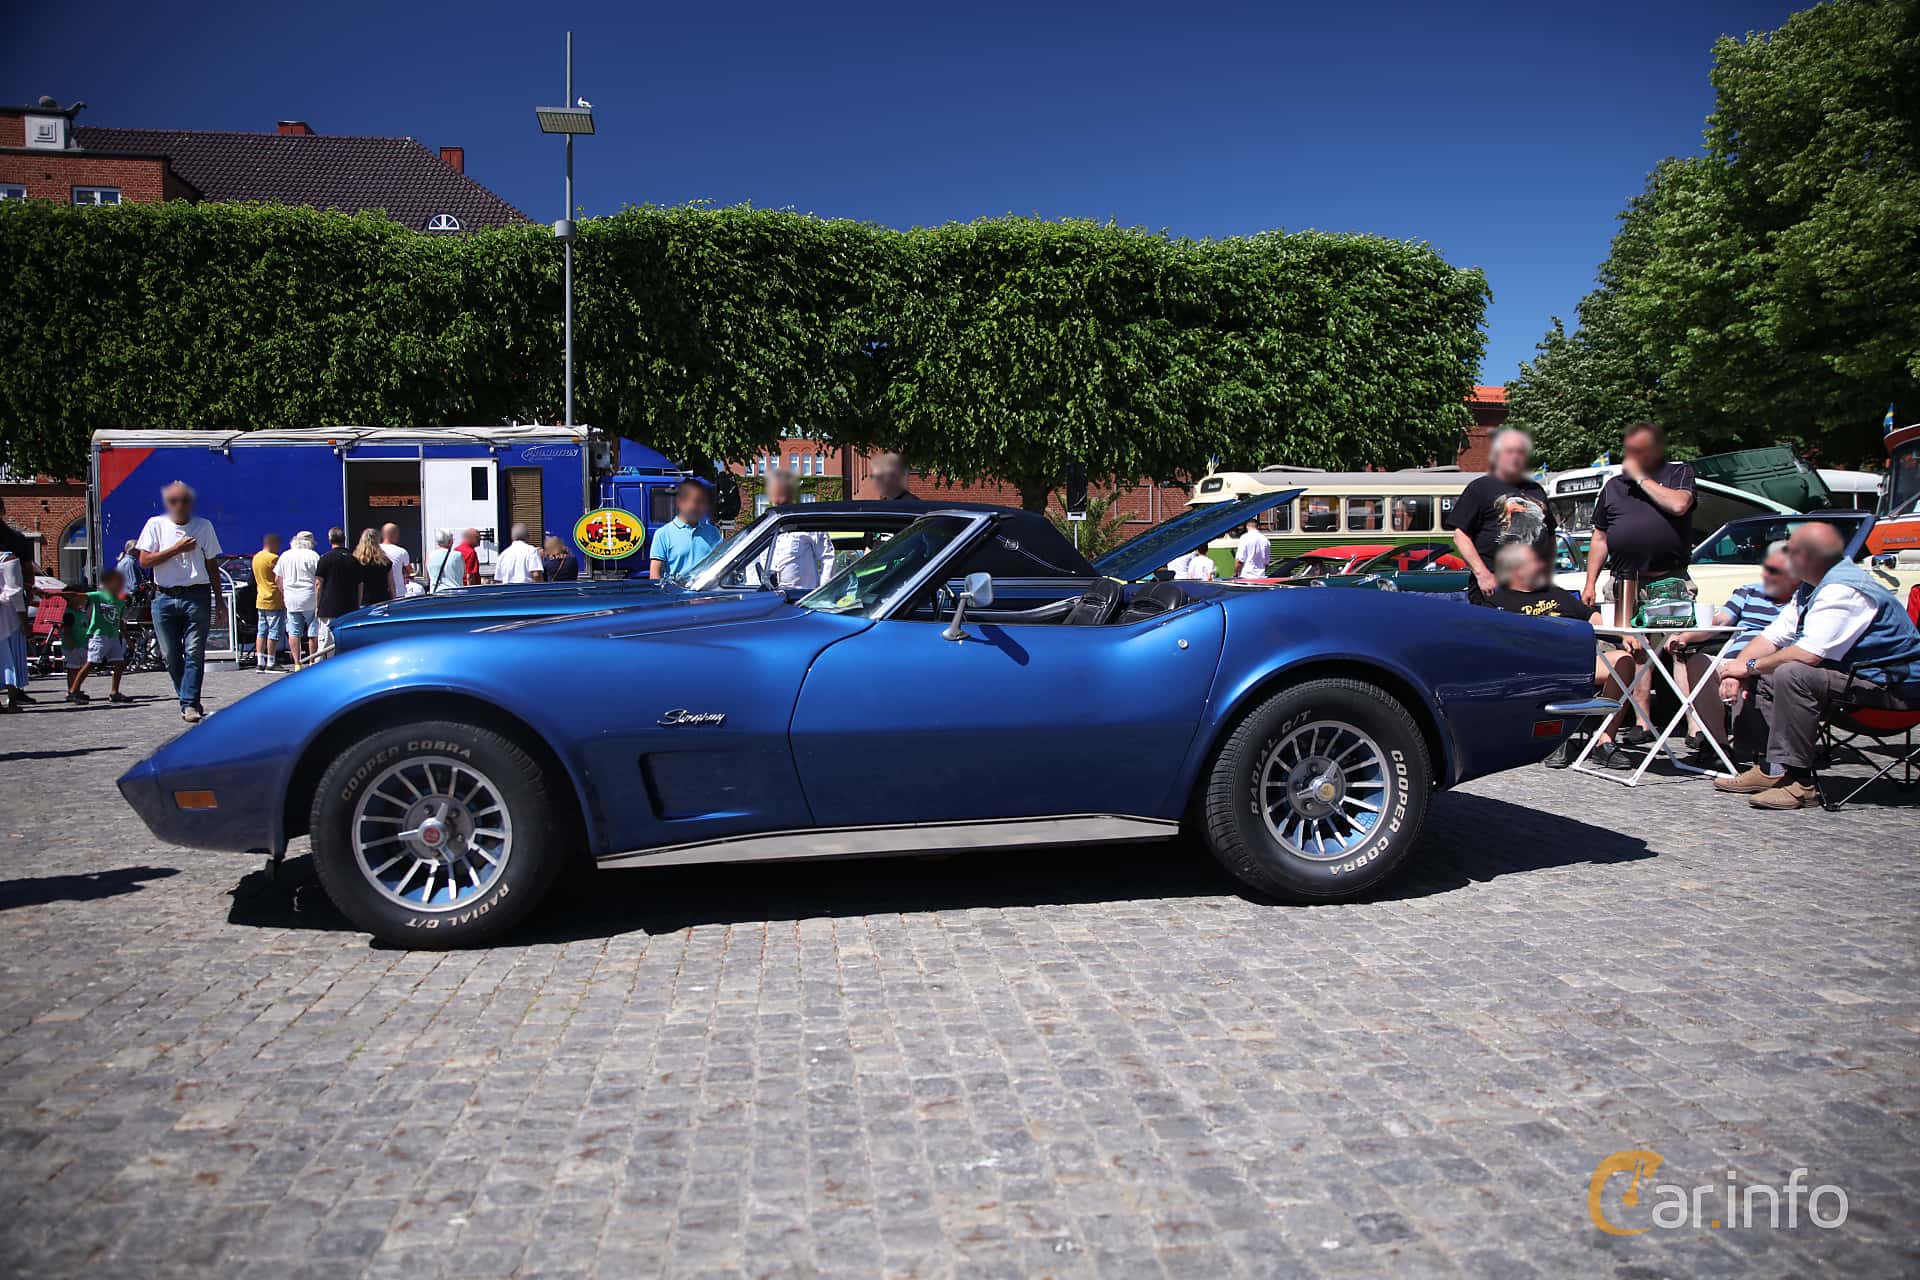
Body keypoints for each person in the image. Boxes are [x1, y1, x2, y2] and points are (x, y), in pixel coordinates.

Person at [1713, 521, 1920, 810]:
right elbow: (1772, 636)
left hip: (1893, 686)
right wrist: (1736, 669)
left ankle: (1800, 784)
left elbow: (1808, 654)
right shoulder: (1813, 586)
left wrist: (1747, 666)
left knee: (1791, 672)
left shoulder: (1843, 589)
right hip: (1859, 676)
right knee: (1768, 671)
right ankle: (1771, 769)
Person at [1481, 542, 1639, 768]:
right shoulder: (1497, 603)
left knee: (1623, 661)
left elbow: (1592, 618)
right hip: (1533, 669)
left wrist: (1623, 636)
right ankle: (1552, 737)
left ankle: (1603, 740)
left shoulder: (1556, 594)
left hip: (1577, 664)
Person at [1670, 541, 1799, 763]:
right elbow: (1720, 621)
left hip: (1775, 662)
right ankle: (1719, 746)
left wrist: (1743, 670)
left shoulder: (1803, 600)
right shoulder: (1749, 591)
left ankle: (1766, 749)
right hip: (1734, 659)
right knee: (1699, 662)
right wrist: (1685, 637)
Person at [1582, 421, 1696, 620]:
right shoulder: (1613, 486)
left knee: (1669, 645)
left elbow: (1679, 505)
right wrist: (1590, 584)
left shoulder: (1677, 473)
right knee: (1624, 643)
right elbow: (1600, 538)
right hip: (1623, 582)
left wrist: (1641, 479)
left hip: (1668, 581)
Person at [136, 480, 223, 723]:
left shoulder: (203, 526)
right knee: (170, 655)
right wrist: (176, 549)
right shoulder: (155, 525)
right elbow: (144, 561)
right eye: (174, 501)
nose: (179, 505)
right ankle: (186, 699)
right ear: (167, 503)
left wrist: (220, 601)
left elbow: (212, 565)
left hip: (197, 594)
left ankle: (189, 704)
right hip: (163, 596)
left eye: (184, 501)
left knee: (194, 652)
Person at [1446, 427, 1556, 604]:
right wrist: (1483, 574)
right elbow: (1460, 536)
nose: (1515, 457)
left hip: (1532, 585)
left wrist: (1547, 569)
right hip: (1494, 586)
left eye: (1520, 452)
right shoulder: (1480, 488)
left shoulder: (1536, 490)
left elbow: (1550, 534)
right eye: (1509, 451)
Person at [60, 568, 131, 704]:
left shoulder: (120, 601)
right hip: (99, 635)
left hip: (113, 636)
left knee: (118, 663)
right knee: (91, 662)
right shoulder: (98, 596)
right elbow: (77, 594)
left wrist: (127, 638)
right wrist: (53, 594)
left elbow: (120, 622)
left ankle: (114, 691)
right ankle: (73, 691)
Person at [757, 470, 833, 590]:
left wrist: (822, 592)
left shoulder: (808, 523)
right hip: (771, 597)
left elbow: (828, 557)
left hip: (802, 597)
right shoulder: (765, 527)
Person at [649, 480, 722, 581]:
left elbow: (721, 566)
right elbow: (655, 575)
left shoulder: (713, 533)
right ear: (681, 503)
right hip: (677, 595)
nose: (700, 508)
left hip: (707, 594)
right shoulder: (663, 534)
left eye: (703, 503)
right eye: (697, 502)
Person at [275, 531, 321, 669]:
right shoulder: (313, 556)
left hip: (291, 598)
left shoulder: (285, 555)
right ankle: (313, 661)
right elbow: (319, 579)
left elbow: (277, 579)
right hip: (310, 596)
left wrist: (284, 593)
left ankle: (297, 663)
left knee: (294, 632)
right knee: (313, 632)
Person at [312, 527, 359, 654]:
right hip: (350, 608)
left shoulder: (325, 558)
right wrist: (357, 604)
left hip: (328, 607)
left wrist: (318, 605)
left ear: (330, 540)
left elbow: (318, 584)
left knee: (325, 643)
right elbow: (360, 585)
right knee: (347, 643)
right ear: (344, 539)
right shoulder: (353, 559)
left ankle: (321, 669)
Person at [251, 532, 287, 673]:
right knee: (274, 631)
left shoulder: (256, 557)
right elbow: (279, 578)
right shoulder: (274, 558)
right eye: (277, 544)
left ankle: (260, 661)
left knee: (261, 631)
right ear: (272, 543)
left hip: (261, 598)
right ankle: (271, 661)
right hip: (274, 598)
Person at [0, 535, 25, 712]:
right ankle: (12, 701)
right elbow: (14, 592)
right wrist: (24, 620)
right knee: (11, 658)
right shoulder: (9, 559)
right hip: (9, 616)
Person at [353, 529, 394, 605]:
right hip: (383, 600)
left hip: (364, 601)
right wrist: (394, 601)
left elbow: (359, 584)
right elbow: (391, 585)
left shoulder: (357, 561)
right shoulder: (385, 561)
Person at [378, 523, 413, 599]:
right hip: (398, 593)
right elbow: (410, 571)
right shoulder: (401, 551)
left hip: (379, 592)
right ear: (395, 534)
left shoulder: (375, 550)